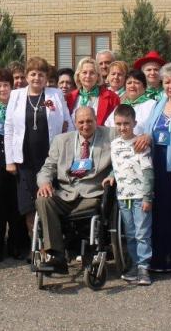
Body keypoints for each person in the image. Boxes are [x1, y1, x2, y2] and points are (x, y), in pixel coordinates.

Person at [34, 106, 113, 274]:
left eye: (89, 121)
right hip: (66, 193)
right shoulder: (61, 140)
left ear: (96, 119)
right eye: (81, 122)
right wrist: (45, 183)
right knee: (43, 200)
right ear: (75, 123)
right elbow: (47, 168)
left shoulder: (111, 135)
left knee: (92, 210)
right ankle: (57, 256)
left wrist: (113, 174)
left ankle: (88, 249)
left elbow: (126, 152)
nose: (86, 125)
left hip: (93, 193)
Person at [5, 57, 74, 233]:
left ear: (46, 77)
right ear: (27, 76)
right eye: (33, 74)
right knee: (29, 207)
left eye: (41, 74)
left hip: (50, 159)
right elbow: (9, 127)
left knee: (50, 202)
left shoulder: (56, 94)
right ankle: (36, 248)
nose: (37, 78)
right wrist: (9, 160)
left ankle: (52, 246)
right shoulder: (16, 95)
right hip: (25, 160)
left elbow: (68, 122)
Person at [104, 104, 154, 286]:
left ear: (134, 123)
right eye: (119, 124)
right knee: (130, 233)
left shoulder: (139, 143)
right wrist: (110, 177)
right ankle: (133, 264)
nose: (122, 127)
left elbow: (148, 172)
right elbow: (118, 166)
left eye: (126, 123)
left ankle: (144, 267)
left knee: (142, 233)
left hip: (140, 196)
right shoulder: (115, 144)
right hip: (123, 197)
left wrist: (148, 197)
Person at [142, 63, 171, 272]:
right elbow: (149, 129)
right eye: (167, 82)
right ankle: (160, 259)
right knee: (159, 213)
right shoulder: (159, 103)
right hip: (157, 162)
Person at [0, 69, 28, 261]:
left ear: (12, 87)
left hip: (17, 162)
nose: (3, 89)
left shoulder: (19, 107)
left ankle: (14, 245)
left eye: (6, 85)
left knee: (16, 207)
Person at [66, 56, 120, 126]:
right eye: (84, 72)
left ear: (98, 76)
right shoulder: (70, 97)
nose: (88, 76)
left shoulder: (112, 97)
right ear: (78, 75)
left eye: (92, 73)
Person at [105, 70, 157, 135]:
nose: (132, 86)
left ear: (145, 87)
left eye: (137, 83)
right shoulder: (120, 106)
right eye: (129, 83)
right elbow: (108, 126)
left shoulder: (153, 105)